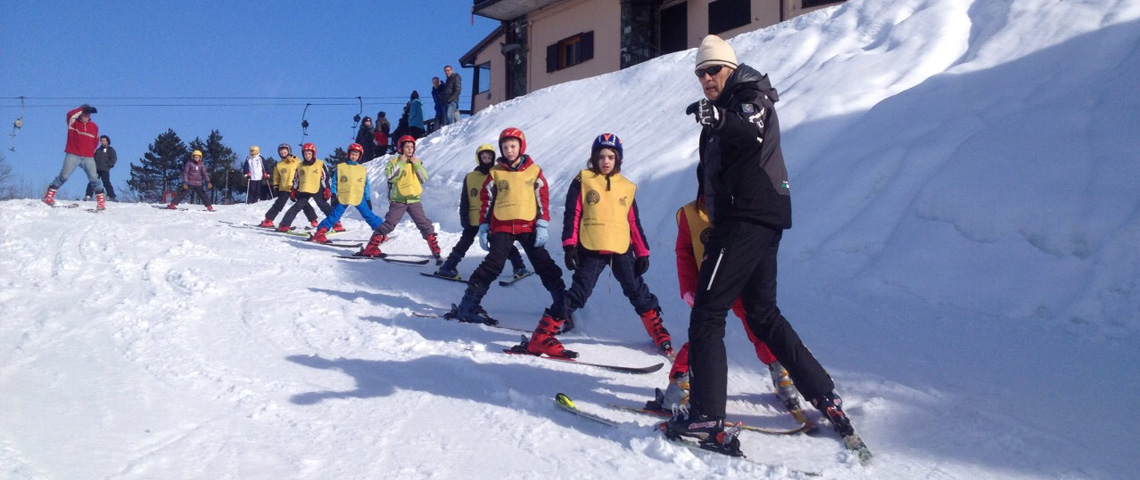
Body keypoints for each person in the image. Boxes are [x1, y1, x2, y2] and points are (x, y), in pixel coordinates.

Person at [663, 35, 858, 452]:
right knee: (762, 313)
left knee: (708, 312)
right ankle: (824, 394)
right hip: (754, 217)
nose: (706, 78)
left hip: (746, 217)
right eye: (700, 73)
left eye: (712, 70)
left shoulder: (749, 97)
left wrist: (716, 117)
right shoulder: (733, 102)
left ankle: (705, 418)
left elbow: (747, 130)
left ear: (729, 68)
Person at [646, 194, 805, 422]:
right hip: (709, 287)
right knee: (702, 336)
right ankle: (680, 387)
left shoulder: (740, 207)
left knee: (758, 327)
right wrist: (689, 287)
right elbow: (685, 253)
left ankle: (782, 376)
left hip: (743, 283)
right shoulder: (689, 214)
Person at [546, 133, 673, 358]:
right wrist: (569, 245)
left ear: (618, 160)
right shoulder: (583, 180)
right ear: (594, 158)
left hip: (621, 249)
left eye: (611, 157)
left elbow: (633, 221)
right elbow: (572, 214)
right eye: (601, 156)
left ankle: (658, 332)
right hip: (591, 248)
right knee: (578, 294)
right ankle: (543, 335)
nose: (606, 161)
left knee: (638, 291)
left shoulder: (626, 187)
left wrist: (642, 252)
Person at [450, 128, 567, 339]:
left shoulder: (534, 170)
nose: (509, 150)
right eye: (505, 147)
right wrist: (484, 226)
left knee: (543, 263)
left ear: (521, 146)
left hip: (529, 225)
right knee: (492, 265)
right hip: (502, 225)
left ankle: (563, 309)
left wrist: (542, 223)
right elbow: (487, 201)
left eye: (513, 146)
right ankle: (468, 305)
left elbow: (542, 198)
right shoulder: (496, 172)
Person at [433, 144, 529, 280]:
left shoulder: (498, 174)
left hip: (493, 217)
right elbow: (465, 198)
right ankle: (448, 267)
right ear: (479, 158)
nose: (487, 159)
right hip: (474, 217)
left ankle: (519, 267)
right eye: (484, 157)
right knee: (465, 242)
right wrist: (463, 215)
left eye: (489, 157)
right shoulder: (471, 177)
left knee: (500, 242)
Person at [356, 135, 441, 260]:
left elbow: (424, 178)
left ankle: (434, 248)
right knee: (389, 224)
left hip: (414, 200)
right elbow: (391, 176)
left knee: (424, 224)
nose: (409, 149)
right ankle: (371, 247)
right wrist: (401, 163)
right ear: (401, 148)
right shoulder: (394, 162)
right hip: (398, 200)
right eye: (407, 147)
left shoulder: (417, 162)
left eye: (412, 147)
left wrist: (416, 165)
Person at [310, 143, 385, 244]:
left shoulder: (362, 169)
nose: (354, 156)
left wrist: (367, 198)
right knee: (335, 215)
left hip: (358, 196)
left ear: (359, 156)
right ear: (348, 154)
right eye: (352, 154)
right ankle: (320, 232)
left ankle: (381, 232)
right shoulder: (341, 167)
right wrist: (333, 194)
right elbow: (335, 182)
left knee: (368, 214)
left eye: (356, 155)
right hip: (343, 196)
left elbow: (365, 185)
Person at [43, 104, 104, 210]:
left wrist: (89, 150)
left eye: (88, 114)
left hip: (88, 157)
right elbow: (70, 114)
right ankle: (49, 196)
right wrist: (82, 109)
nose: (86, 116)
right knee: (64, 176)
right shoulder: (73, 123)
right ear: (80, 114)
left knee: (94, 178)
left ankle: (101, 202)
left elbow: (95, 142)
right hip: (73, 154)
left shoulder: (94, 126)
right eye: (84, 114)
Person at [277, 143, 341, 232]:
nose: (307, 156)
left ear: (313, 154)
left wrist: (327, 188)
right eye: (305, 154)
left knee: (324, 206)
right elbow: (296, 179)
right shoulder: (300, 165)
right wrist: (294, 190)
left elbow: (325, 177)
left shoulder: (320, 163)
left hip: (317, 187)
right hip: (304, 189)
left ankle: (336, 223)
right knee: (297, 207)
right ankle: (284, 224)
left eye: (309, 154)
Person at [257, 143, 301, 228]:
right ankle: (268, 220)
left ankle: (313, 220)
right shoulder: (279, 165)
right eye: (281, 153)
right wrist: (276, 186)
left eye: (285, 152)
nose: (283, 154)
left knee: (303, 203)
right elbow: (276, 177)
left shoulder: (297, 162)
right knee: (278, 204)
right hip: (284, 187)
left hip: (295, 187)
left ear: (289, 151)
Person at [84, 135, 117, 201]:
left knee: (106, 182)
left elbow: (113, 159)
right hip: (96, 169)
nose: (102, 142)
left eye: (104, 141)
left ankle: (111, 196)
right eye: (101, 141)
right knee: (92, 182)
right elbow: (93, 158)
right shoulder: (98, 150)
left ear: (107, 141)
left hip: (105, 169)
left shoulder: (110, 150)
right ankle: (88, 195)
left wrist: (107, 165)